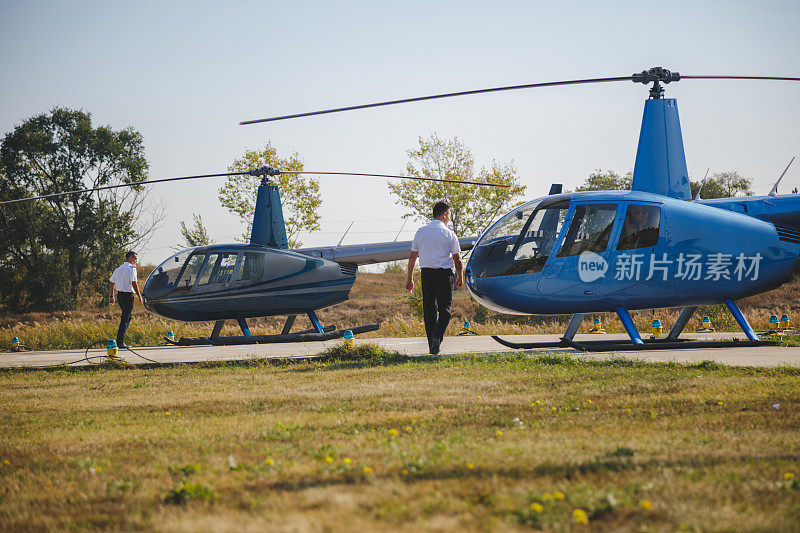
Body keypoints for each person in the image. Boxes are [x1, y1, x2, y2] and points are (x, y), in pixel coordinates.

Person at [405, 201, 464, 355]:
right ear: (444, 214)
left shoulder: (421, 232)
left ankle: (432, 344)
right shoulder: (449, 234)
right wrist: (460, 276)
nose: (449, 218)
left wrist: (409, 278)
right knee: (445, 310)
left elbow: (412, 257)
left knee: (429, 310)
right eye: (449, 215)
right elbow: (457, 259)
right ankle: (437, 337)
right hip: (444, 275)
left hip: (426, 274)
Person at [109, 251, 143, 349]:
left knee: (128, 317)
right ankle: (120, 342)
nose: (136, 260)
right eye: (135, 258)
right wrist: (139, 296)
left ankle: (120, 340)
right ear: (130, 258)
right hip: (128, 296)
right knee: (125, 318)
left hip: (120, 296)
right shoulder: (132, 269)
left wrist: (111, 296)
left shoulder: (118, 269)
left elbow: (112, 283)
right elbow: (134, 283)